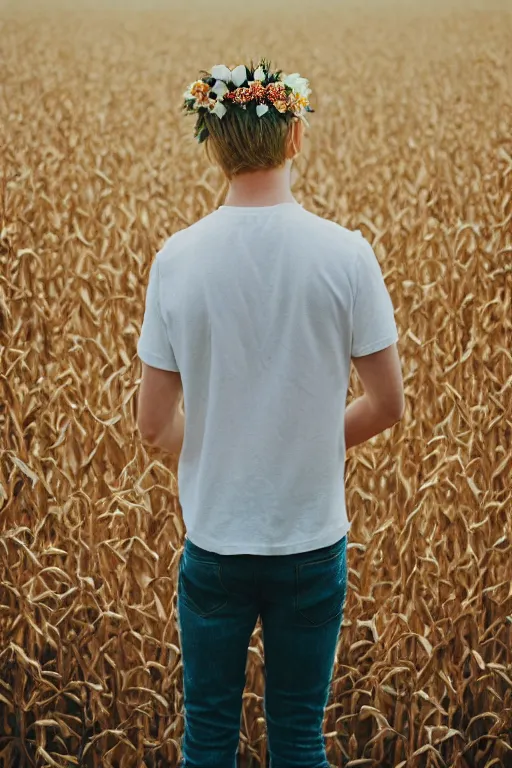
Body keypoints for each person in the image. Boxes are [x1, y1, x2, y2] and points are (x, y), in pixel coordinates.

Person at [136, 60, 404, 768]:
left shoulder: (176, 259)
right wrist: (307, 443)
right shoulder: (348, 256)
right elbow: (387, 404)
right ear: (295, 140)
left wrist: (229, 445)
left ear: (215, 146)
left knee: (209, 741)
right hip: (312, 546)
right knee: (297, 739)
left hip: (216, 543)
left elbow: (154, 426)